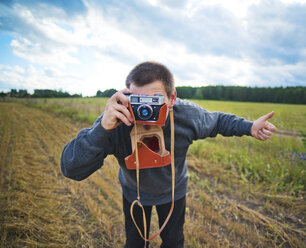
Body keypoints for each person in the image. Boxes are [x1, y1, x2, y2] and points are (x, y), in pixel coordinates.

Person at [60, 61, 276, 248]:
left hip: (174, 192)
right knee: (135, 243)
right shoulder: (116, 120)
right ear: (125, 96)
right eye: (137, 100)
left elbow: (218, 121)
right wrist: (102, 129)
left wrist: (249, 127)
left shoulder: (186, 115)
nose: (145, 110)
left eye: (154, 100)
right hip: (134, 193)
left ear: (172, 98)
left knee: (173, 242)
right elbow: (71, 168)